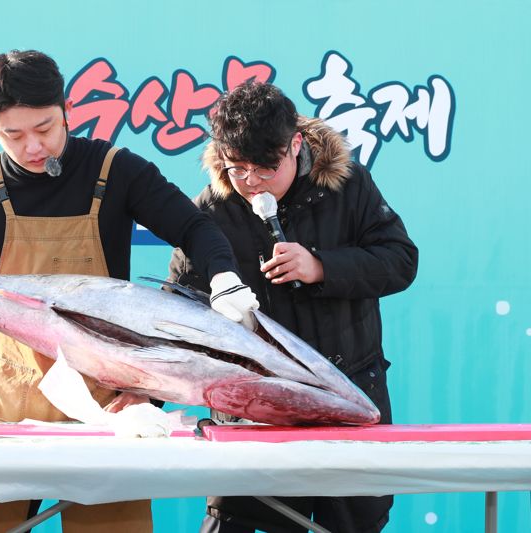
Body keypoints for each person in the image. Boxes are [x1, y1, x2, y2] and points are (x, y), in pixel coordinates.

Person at [0, 49, 258, 533]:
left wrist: (224, 278)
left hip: (105, 393)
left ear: (67, 111)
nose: (33, 146)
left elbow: (195, 229)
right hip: (9, 390)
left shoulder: (117, 170)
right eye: (13, 135)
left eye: (45, 129)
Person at [168, 81, 419, 533]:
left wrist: (323, 266)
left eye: (265, 169)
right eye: (237, 169)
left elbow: (401, 262)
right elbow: (177, 311)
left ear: (295, 145)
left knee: (354, 520)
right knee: (236, 520)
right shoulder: (210, 210)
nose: (251, 183)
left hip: (348, 397)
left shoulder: (348, 186)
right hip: (251, 409)